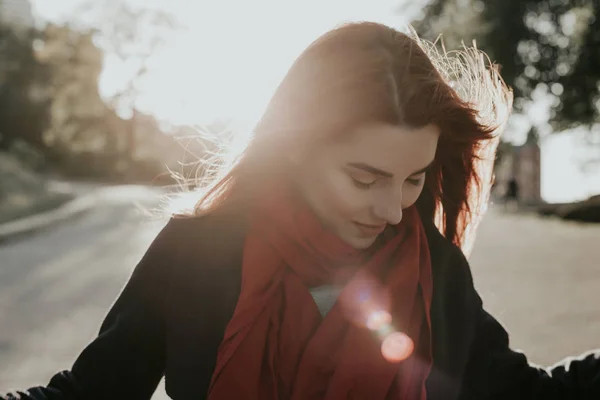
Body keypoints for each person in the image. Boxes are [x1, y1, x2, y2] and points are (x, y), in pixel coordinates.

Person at [3, 21, 599, 400]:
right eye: (366, 178)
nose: (393, 210)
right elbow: (91, 392)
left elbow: (523, 393)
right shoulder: (195, 255)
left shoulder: (435, 272)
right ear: (294, 148)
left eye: (413, 179)